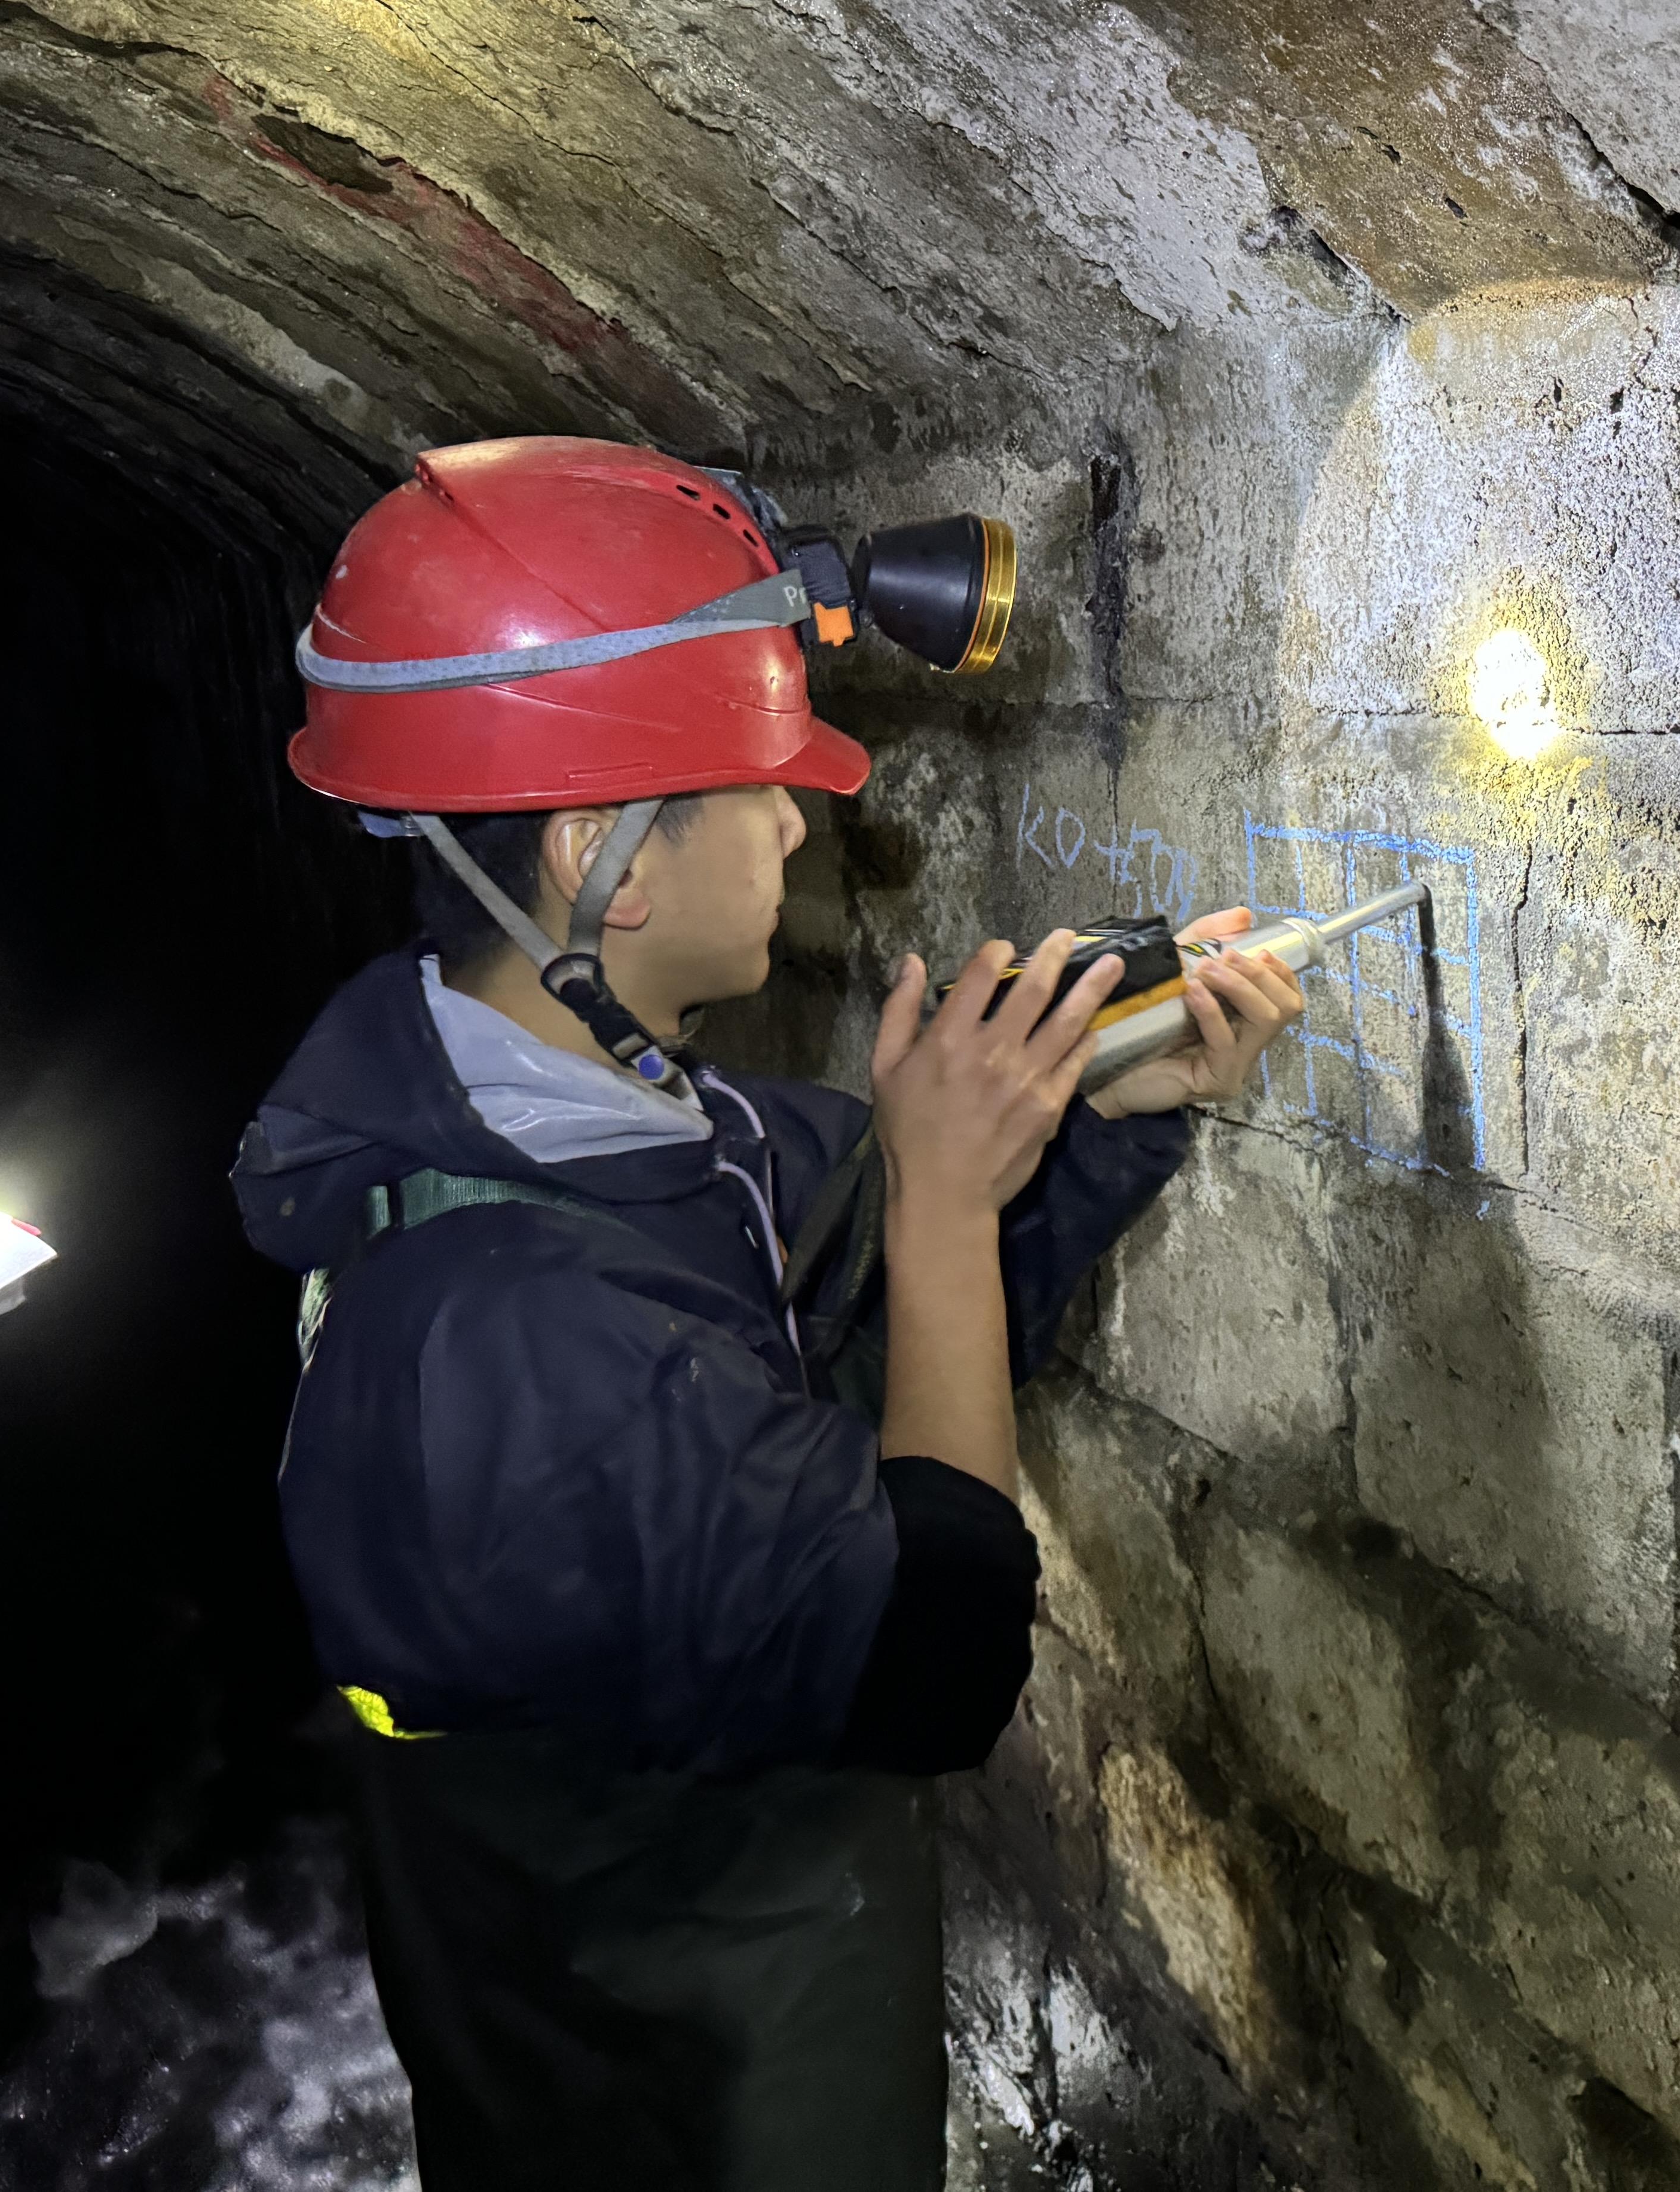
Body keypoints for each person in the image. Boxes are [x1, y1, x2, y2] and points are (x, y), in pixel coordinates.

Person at [235, 437, 1306, 2191]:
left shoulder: (614, 1117)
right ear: (606, 860)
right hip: (662, 2094)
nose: (799, 822)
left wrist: (1093, 1125)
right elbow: (928, 1649)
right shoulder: (497, 1332)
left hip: (734, 1993)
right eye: (758, 787)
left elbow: (860, 1407)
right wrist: (946, 1196)